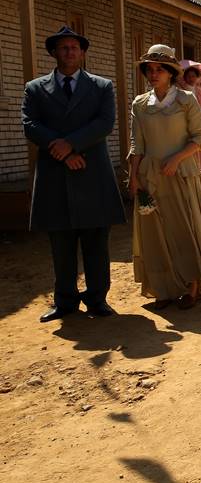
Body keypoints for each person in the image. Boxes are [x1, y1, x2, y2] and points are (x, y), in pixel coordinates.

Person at [22, 26, 126, 322]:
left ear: (82, 53)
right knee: (61, 242)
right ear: (53, 52)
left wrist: (72, 144)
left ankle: (97, 299)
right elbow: (29, 123)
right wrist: (64, 152)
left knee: (96, 241)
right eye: (63, 47)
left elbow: (105, 123)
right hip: (55, 172)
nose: (69, 51)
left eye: (74, 47)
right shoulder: (35, 88)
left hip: (92, 171)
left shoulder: (101, 86)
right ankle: (65, 301)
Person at [128, 45, 201, 309]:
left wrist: (177, 158)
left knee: (184, 229)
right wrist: (134, 176)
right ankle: (163, 289)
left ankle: (192, 286)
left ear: (170, 73)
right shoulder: (140, 104)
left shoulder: (186, 100)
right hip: (150, 176)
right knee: (155, 234)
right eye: (149, 69)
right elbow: (137, 143)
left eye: (159, 69)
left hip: (181, 174)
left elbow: (199, 139)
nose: (153, 74)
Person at [178, 62, 201, 197]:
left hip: (198, 125)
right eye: (189, 76)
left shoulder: (199, 91)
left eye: (194, 76)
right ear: (185, 77)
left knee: (199, 151)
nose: (192, 78)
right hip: (184, 125)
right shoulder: (179, 90)